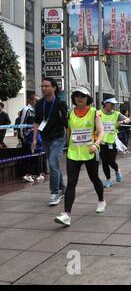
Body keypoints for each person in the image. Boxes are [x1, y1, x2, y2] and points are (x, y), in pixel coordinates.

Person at [54, 87, 105, 227]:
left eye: (82, 95)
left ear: (88, 98)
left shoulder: (94, 112)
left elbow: (101, 132)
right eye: (76, 95)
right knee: (71, 183)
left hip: (90, 152)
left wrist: (96, 144)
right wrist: (66, 145)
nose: (79, 98)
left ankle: (101, 200)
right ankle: (66, 215)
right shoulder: (70, 113)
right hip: (73, 153)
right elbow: (69, 131)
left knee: (94, 178)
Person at [33, 78, 68, 206]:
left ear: (54, 88)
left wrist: (69, 140)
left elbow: (66, 124)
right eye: (42, 86)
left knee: (53, 164)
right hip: (46, 138)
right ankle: (63, 188)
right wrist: (34, 140)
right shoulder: (39, 103)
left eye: (46, 86)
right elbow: (37, 121)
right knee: (54, 164)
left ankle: (54, 193)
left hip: (58, 138)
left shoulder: (60, 103)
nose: (43, 88)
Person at [99, 97, 131, 188]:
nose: (113, 106)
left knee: (111, 161)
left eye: (114, 104)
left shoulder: (117, 114)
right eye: (111, 104)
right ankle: (108, 180)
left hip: (112, 141)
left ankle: (117, 170)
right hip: (102, 141)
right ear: (105, 103)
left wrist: (122, 121)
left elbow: (128, 119)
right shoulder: (99, 113)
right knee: (104, 162)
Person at [21, 95, 45, 182]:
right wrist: (22, 137)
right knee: (31, 156)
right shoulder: (26, 110)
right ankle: (28, 174)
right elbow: (22, 124)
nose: (38, 103)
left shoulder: (38, 110)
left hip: (37, 137)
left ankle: (36, 173)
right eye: (36, 101)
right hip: (29, 137)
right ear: (31, 101)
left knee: (37, 156)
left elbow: (41, 123)